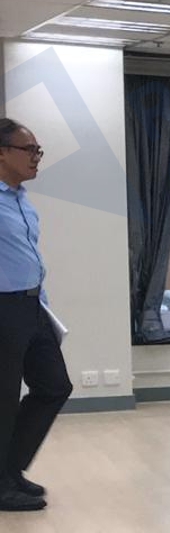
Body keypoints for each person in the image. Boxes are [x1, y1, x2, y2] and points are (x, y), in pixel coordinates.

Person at [0, 119, 71, 511]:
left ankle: (10, 470)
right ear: (2, 153)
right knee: (4, 399)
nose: (36, 157)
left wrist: (40, 303)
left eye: (38, 150)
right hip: (3, 307)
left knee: (54, 386)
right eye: (29, 150)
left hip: (32, 306)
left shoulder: (21, 199)